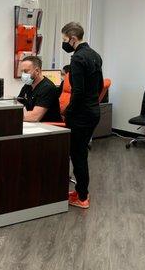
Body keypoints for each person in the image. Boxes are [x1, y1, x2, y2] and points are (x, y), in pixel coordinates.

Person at [62, 22, 103, 209]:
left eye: (65, 40)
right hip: (93, 111)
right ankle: (80, 191)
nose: (64, 44)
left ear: (73, 38)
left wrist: (68, 112)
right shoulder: (95, 55)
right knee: (80, 152)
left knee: (77, 155)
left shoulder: (77, 58)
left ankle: (83, 197)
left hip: (81, 115)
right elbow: (100, 85)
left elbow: (77, 92)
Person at [18, 56, 61, 122]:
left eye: (26, 71)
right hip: (34, 124)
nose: (23, 74)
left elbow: (34, 117)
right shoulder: (27, 86)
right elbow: (17, 105)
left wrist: (13, 115)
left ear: (37, 71)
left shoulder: (48, 88)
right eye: (22, 71)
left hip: (49, 127)